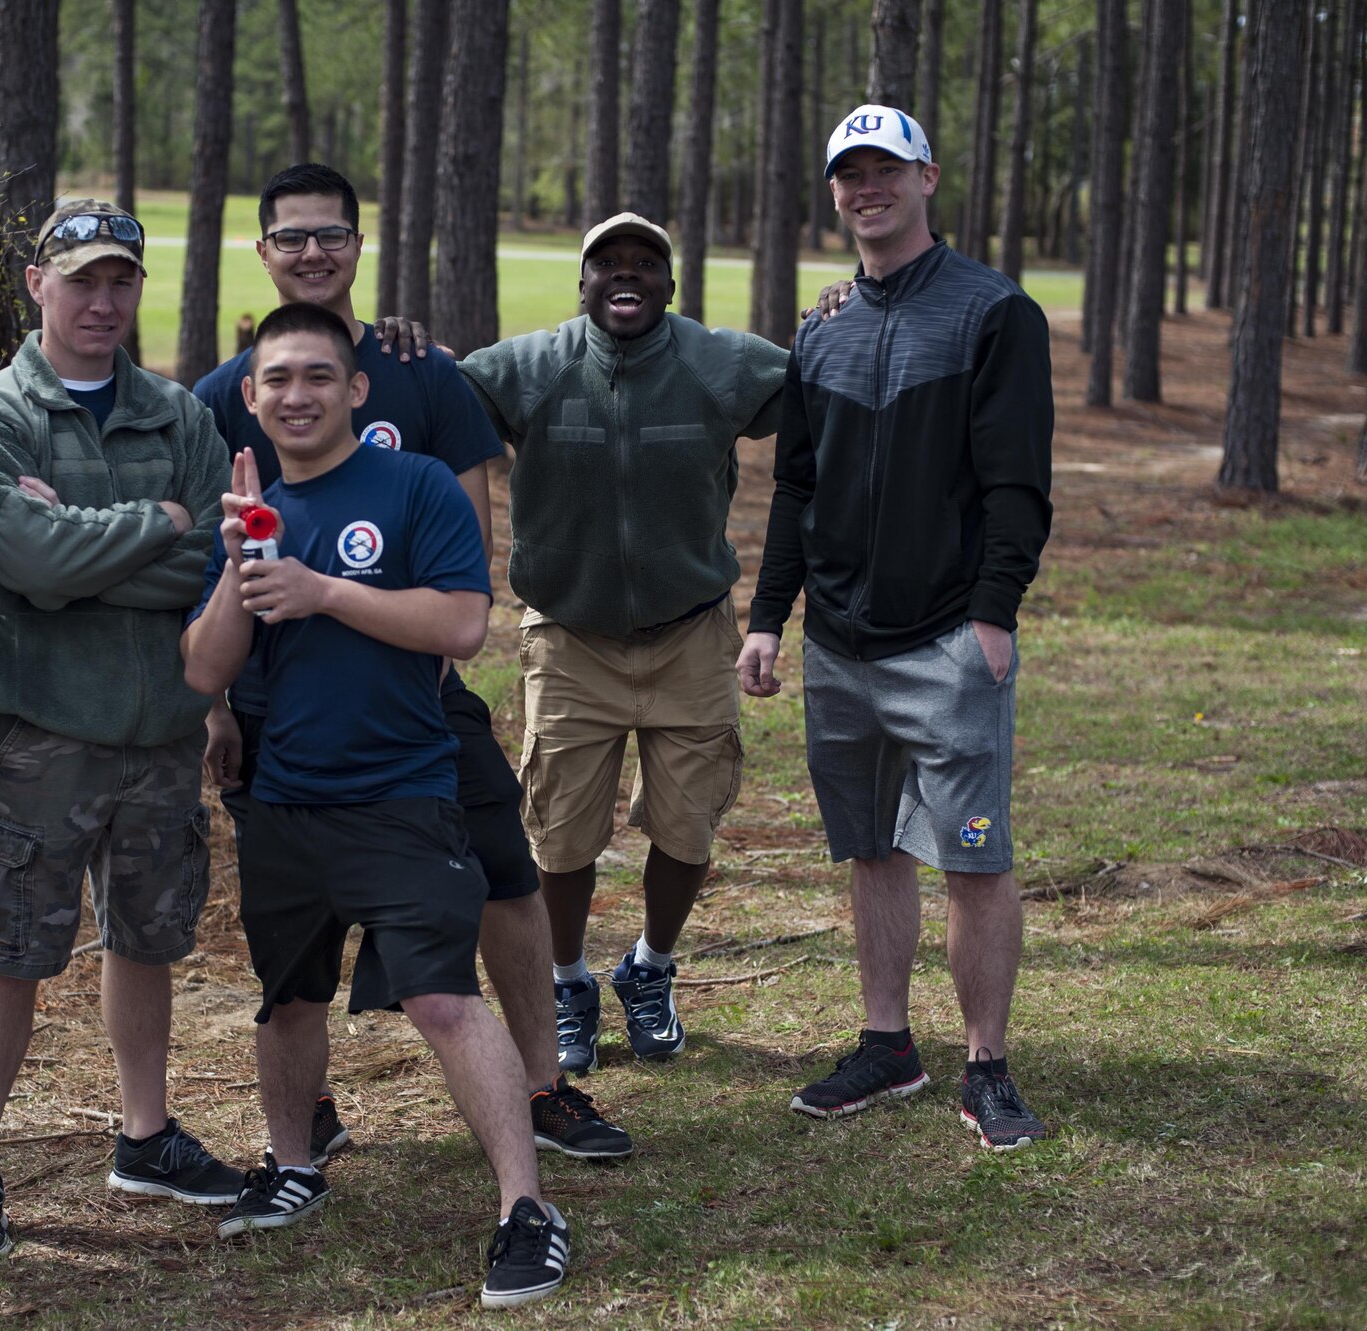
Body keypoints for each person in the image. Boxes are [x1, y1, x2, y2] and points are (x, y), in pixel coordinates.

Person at [193, 162, 631, 1162]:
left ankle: (541, 1084)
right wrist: (217, 706)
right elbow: (208, 552)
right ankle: (305, 1120)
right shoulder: (226, 392)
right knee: (293, 936)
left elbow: (465, 558)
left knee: (503, 880)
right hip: (276, 705)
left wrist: (416, 630)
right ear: (262, 253)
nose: (311, 252)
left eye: (329, 236)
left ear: (358, 246)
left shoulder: (422, 371)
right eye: (290, 237)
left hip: (421, 700)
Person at [182, 302, 572, 1310]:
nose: (296, 395)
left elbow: (461, 623)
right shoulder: (244, 502)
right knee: (289, 993)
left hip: (399, 791)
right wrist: (237, 567)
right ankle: (293, 1164)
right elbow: (202, 667)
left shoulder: (413, 488)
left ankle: (525, 1208)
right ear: (250, 397)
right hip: (281, 798)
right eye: (276, 380)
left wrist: (322, 590)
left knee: (443, 996)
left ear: (354, 389)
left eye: (318, 376)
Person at [737, 106, 1055, 1150]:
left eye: (884, 169)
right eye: (846, 174)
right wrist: (769, 619)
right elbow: (795, 486)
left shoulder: (991, 313)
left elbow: (1015, 483)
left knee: (971, 854)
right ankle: (886, 1044)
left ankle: (985, 1064)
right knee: (870, 848)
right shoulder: (821, 322)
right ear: (832, 191)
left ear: (924, 175)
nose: (864, 187)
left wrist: (992, 613)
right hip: (836, 640)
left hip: (942, 640)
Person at [0, 200, 243, 1268]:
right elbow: (26, 565)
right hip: (38, 732)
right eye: (81, 280)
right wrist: (150, 524)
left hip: (158, 728)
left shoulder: (175, 415)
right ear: (37, 285)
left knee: (146, 936)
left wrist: (97, 544)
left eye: (121, 281)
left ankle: (145, 1133)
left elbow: (210, 560)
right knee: (11, 949)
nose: (102, 301)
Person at [456, 214, 788, 1075]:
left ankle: (650, 966)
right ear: (584, 282)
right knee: (561, 834)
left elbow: (821, 387)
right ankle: (569, 980)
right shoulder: (532, 367)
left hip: (691, 636)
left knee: (688, 825)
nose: (626, 275)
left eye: (647, 263)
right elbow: (434, 399)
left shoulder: (720, 363)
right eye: (608, 263)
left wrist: (831, 319)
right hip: (570, 640)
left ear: (671, 285)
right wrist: (394, 345)